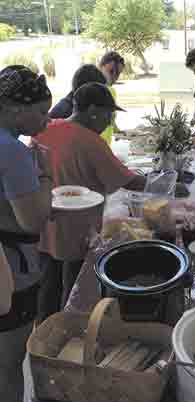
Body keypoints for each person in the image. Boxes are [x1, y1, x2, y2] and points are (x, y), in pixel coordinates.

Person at [36, 82, 146, 324]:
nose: (109, 121)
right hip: (77, 230)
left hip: (44, 223)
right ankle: (67, 332)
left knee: (47, 284)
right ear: (93, 110)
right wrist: (161, 181)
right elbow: (129, 180)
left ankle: (42, 334)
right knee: (73, 287)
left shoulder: (45, 128)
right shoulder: (91, 142)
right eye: (109, 114)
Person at [0, 65, 53, 402]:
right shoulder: (13, 152)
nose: (47, 121)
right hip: (11, 273)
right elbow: (32, 220)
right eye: (41, 112)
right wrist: (45, 177)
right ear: (17, 110)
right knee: (7, 368)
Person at [99, 51, 126, 145]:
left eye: (118, 73)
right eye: (111, 71)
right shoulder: (89, 92)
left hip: (106, 148)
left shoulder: (112, 92)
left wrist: (117, 131)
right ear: (101, 67)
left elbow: (110, 120)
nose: (114, 76)